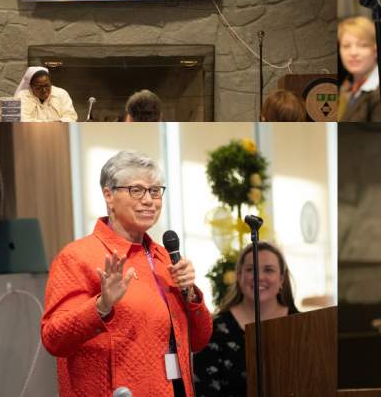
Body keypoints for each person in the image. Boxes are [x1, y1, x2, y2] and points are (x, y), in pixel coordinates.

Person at [41, 151, 213, 397]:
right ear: (108, 195)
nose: (149, 200)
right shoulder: (78, 256)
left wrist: (191, 294)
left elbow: (199, 340)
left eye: (155, 191)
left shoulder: (165, 257)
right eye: (136, 190)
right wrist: (101, 305)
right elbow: (53, 339)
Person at [194, 242, 299, 397]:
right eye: (250, 269)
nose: (259, 277)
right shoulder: (214, 328)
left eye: (269, 270)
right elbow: (203, 389)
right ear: (239, 276)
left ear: (282, 279)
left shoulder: (302, 325)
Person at [337, 16, 381, 122]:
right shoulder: (345, 88)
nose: (353, 53)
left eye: (363, 45)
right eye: (346, 46)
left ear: (375, 51)